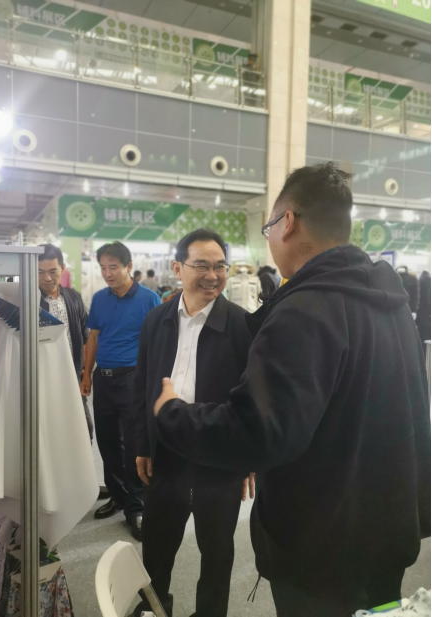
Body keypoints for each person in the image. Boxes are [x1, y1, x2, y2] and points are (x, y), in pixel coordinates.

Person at [153, 162, 431, 617]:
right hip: (384, 530)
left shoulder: (306, 309)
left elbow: (258, 430)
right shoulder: (388, 300)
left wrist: (172, 414)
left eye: (268, 228)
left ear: (287, 223)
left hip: (323, 547)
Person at [132, 229, 253, 617]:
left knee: (217, 552)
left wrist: (248, 458)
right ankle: (155, 609)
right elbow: (143, 386)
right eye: (201, 265)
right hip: (165, 453)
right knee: (157, 546)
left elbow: (251, 402)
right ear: (177, 268)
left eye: (220, 266)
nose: (212, 276)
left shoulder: (242, 325)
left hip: (219, 458)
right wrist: (142, 445)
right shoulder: (157, 320)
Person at [80, 241, 161, 540]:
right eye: (103, 268)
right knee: (108, 442)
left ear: (128, 267)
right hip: (104, 379)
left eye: (113, 267)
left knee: (134, 445)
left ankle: (137, 508)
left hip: (133, 379)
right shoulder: (99, 299)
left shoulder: (150, 299)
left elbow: (159, 342)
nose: (107, 273)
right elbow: (93, 338)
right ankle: (117, 496)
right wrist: (86, 374)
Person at [38, 244, 93, 440]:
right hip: (42, 379)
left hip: (73, 374)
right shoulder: (28, 301)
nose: (47, 278)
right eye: (40, 272)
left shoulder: (73, 298)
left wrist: (86, 371)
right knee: (48, 430)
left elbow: (86, 336)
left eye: (53, 271)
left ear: (62, 269)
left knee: (82, 429)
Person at [416, 271, 431, 352]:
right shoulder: (428, 280)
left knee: (421, 337)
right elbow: (429, 299)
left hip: (420, 315)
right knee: (427, 338)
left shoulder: (420, 280)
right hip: (427, 317)